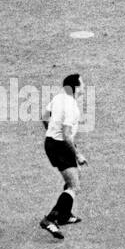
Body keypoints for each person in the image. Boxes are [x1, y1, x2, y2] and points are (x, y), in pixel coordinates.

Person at [39, 74, 87, 239]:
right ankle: (50, 219)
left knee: (75, 176)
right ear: (75, 87)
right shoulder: (72, 107)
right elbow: (67, 135)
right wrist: (78, 154)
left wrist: (51, 131)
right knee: (74, 186)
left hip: (51, 143)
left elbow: (44, 116)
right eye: (82, 84)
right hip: (61, 146)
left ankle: (64, 215)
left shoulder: (59, 97)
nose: (84, 87)